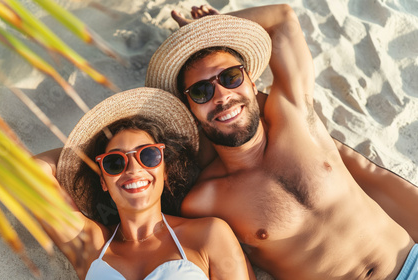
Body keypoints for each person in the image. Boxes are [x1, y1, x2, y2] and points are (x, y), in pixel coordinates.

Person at [145, 4, 418, 280]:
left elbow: (282, 18)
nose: (221, 96)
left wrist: (211, 30)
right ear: (189, 108)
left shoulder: (294, 115)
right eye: (201, 91)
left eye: (230, 77)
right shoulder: (204, 200)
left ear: (251, 84)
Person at [35, 87, 253, 279]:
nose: (133, 169)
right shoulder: (90, 245)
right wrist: (83, 152)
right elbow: (31, 171)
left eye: (147, 156)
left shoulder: (208, 235)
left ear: (165, 171)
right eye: (114, 163)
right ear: (103, 181)